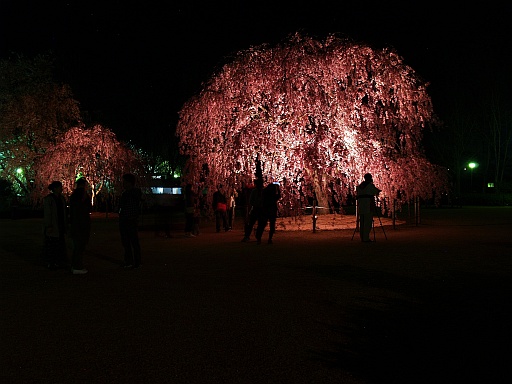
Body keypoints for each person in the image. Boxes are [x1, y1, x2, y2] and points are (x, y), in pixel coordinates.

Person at [42, 181, 68, 270]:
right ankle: (51, 262)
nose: (61, 189)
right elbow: (48, 214)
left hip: (60, 224)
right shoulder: (49, 199)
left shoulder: (61, 199)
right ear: (55, 188)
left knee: (59, 244)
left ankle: (58, 261)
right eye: (60, 187)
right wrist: (49, 225)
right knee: (52, 244)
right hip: (53, 225)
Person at [119, 173, 142, 268]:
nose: (123, 184)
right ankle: (136, 261)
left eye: (124, 181)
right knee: (133, 242)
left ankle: (130, 261)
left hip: (127, 220)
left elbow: (123, 207)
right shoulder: (136, 193)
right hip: (131, 219)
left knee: (128, 242)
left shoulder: (127, 194)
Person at [69, 177, 91, 274]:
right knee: (80, 245)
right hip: (82, 223)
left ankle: (75, 265)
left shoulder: (74, 195)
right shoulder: (83, 195)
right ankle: (77, 266)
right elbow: (87, 208)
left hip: (75, 222)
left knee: (77, 245)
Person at [356, 173, 381, 242]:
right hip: (368, 205)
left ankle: (362, 238)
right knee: (368, 222)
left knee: (362, 222)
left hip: (361, 206)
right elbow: (376, 191)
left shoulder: (359, 187)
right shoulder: (370, 186)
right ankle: (366, 238)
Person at [255, 179, 281, 244]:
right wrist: (278, 189)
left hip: (264, 211)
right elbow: (279, 196)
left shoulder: (264, 194)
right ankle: (269, 239)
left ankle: (259, 238)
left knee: (262, 225)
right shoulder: (273, 196)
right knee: (272, 225)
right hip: (272, 211)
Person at [241, 178, 264, 242]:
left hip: (256, 209)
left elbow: (251, 201)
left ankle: (247, 236)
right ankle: (258, 236)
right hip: (261, 209)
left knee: (251, 223)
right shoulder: (263, 191)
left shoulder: (255, 191)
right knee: (259, 224)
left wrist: (255, 204)